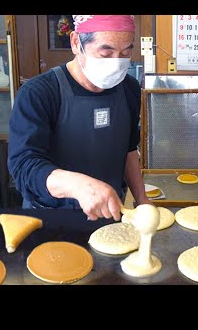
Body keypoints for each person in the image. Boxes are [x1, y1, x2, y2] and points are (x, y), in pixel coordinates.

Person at [8, 15, 152, 221]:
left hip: (111, 212)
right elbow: (24, 166)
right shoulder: (39, 92)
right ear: (76, 42)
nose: (117, 62)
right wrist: (80, 186)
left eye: (126, 52)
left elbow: (128, 150)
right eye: (106, 53)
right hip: (51, 217)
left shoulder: (128, 88)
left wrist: (142, 198)